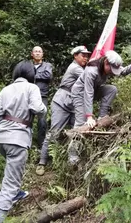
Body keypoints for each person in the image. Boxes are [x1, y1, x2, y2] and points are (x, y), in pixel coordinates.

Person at [0, 61, 47, 223]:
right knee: (10, 184)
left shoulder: (6, 89)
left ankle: (15, 193)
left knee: (11, 171)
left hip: (1, 138)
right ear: (32, 75)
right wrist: (44, 110)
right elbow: (38, 108)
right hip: (18, 138)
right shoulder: (32, 88)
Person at [68, 50, 131, 164]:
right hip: (80, 93)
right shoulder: (91, 70)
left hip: (94, 90)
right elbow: (87, 93)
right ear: (106, 62)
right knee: (81, 122)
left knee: (111, 89)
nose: (112, 72)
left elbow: (122, 71)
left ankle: (102, 116)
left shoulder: (107, 66)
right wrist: (89, 116)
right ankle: (73, 157)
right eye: (111, 69)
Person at [36, 46, 92, 176]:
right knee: (54, 133)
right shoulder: (75, 68)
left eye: (87, 55)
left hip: (75, 104)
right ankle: (42, 162)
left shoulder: (82, 69)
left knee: (77, 132)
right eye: (83, 55)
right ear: (75, 56)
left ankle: (73, 163)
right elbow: (90, 78)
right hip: (62, 102)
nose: (86, 58)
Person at [31, 46, 53, 147]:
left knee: (42, 121)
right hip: (29, 96)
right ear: (32, 54)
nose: (37, 53)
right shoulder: (29, 65)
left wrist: (33, 76)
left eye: (39, 52)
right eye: (35, 51)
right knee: (27, 120)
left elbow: (48, 76)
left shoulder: (47, 65)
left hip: (42, 96)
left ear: (42, 54)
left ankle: (41, 145)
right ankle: (28, 143)